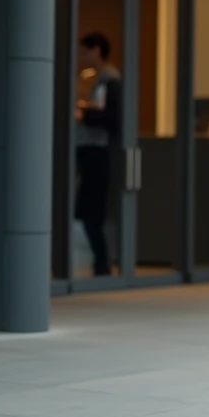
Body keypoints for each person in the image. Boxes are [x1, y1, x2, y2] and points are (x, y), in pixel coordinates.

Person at [75, 32, 122, 276]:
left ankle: (102, 263)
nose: (80, 57)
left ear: (96, 51)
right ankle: (100, 262)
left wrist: (84, 114)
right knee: (86, 210)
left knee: (91, 210)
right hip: (87, 149)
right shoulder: (91, 79)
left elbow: (112, 117)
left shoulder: (109, 80)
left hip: (98, 151)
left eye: (83, 51)